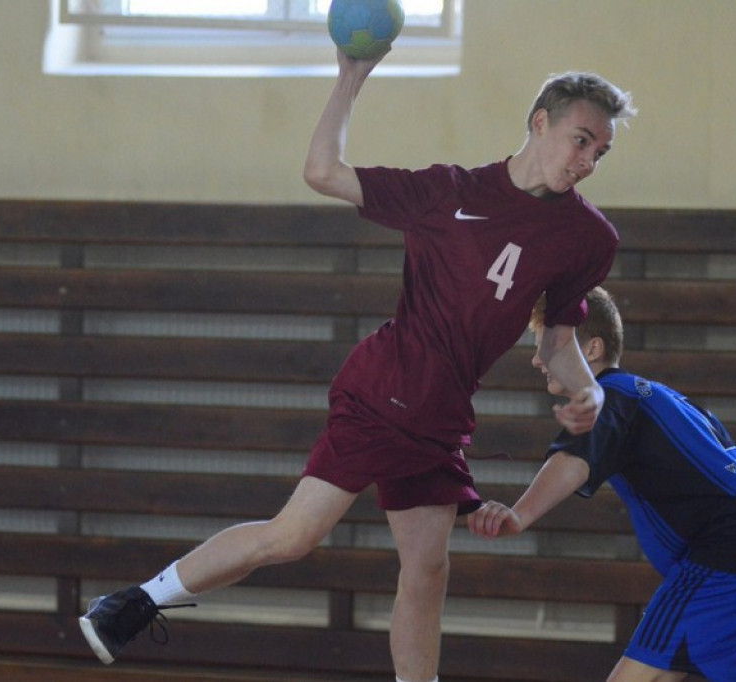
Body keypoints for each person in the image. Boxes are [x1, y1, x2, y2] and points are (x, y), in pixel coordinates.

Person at [79, 46, 636, 682]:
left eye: (601, 152)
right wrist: (351, 76)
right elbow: (322, 171)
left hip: (442, 411)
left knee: (427, 569)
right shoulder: (447, 191)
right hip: (387, 389)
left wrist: (589, 394)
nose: (588, 161)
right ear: (540, 122)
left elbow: (557, 341)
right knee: (292, 537)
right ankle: (133, 603)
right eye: (581, 141)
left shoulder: (589, 238)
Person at [468, 287, 736, 682]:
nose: (536, 359)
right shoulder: (662, 397)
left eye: (547, 346)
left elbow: (572, 460)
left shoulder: (610, 396)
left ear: (593, 349)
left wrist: (519, 515)